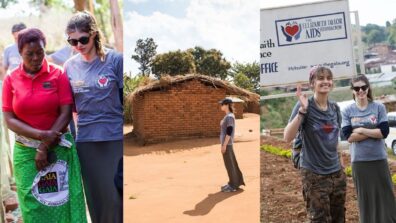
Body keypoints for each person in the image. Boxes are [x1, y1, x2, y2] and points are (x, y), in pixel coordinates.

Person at [2, 28, 87, 222]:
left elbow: (65, 113)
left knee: (64, 201)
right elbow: (9, 119)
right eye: (29, 54)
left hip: (58, 149)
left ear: (45, 49)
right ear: (19, 53)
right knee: (32, 206)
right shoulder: (11, 80)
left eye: (39, 52)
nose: (35, 58)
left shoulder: (57, 74)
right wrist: (41, 136)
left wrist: (45, 145)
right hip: (26, 153)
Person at [64, 11, 123, 223]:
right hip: (86, 142)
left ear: (94, 34)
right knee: (96, 198)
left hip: (115, 139)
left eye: (83, 39)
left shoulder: (115, 60)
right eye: (72, 41)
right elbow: (67, 108)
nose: (78, 44)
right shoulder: (70, 66)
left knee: (116, 197)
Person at [284, 66, 346, 222]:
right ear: (312, 84)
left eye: (328, 78)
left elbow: (334, 139)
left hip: (336, 173)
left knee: (339, 217)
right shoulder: (304, 106)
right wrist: (302, 111)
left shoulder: (334, 108)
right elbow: (287, 136)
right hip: (314, 174)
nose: (325, 81)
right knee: (319, 219)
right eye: (321, 78)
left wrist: (340, 163)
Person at [341, 75, 396, 223]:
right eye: (357, 88)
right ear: (353, 90)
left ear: (368, 88)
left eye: (363, 87)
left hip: (379, 160)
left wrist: (360, 130)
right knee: (365, 199)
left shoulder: (378, 107)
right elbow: (348, 137)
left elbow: (383, 132)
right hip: (359, 162)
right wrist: (373, 131)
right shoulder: (347, 111)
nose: (360, 91)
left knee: (386, 196)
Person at [219, 98, 245, 192]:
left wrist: (224, 145)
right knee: (231, 163)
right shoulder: (228, 116)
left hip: (227, 144)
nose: (221, 106)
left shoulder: (229, 117)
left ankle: (233, 186)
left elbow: (229, 131)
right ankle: (234, 182)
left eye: (222, 104)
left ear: (226, 105)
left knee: (230, 164)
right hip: (227, 143)